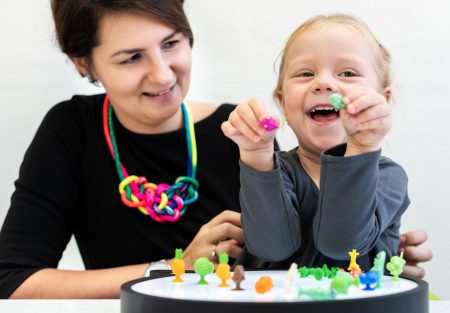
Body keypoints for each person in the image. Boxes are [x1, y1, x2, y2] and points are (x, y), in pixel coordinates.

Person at [0, 2, 431, 299]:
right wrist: (175, 267)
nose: (162, 73)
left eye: (171, 44)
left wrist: (379, 253)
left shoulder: (243, 133)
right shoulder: (72, 131)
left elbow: (301, 252)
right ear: (83, 63)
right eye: (131, 57)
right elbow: (12, 282)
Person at [222, 13, 423, 271]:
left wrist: (361, 147)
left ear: (382, 100)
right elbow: (270, 246)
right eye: (305, 73)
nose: (324, 83)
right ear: (283, 103)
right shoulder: (273, 170)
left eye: (348, 73)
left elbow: (344, 244)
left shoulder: (389, 177)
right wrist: (256, 152)